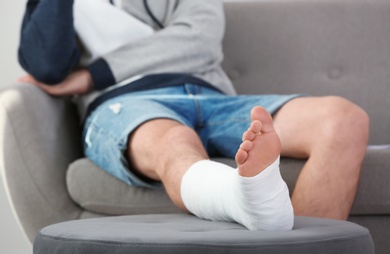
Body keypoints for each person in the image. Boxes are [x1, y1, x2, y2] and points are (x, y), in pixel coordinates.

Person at [17, 0, 369, 230]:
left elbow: (199, 36)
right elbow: (47, 67)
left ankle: (293, 249)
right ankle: (240, 198)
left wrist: (95, 73)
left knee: (342, 120)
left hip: (212, 98)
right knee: (174, 141)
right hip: (127, 103)